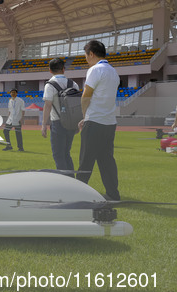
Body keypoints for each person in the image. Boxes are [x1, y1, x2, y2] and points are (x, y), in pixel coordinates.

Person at [76, 40, 121, 201]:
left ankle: (78, 196)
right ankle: (113, 194)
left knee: (85, 161)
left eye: (86, 56)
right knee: (106, 160)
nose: (86, 59)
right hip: (109, 123)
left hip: (94, 121)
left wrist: (84, 116)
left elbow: (86, 96)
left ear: (91, 54)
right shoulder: (113, 72)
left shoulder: (95, 70)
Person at [41, 58, 80, 174]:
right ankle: (72, 180)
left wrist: (43, 125)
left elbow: (47, 105)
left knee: (58, 154)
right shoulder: (73, 84)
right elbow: (78, 105)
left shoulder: (50, 85)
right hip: (72, 123)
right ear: (63, 69)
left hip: (57, 122)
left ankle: (64, 182)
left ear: (50, 70)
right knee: (66, 153)